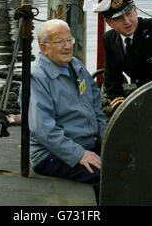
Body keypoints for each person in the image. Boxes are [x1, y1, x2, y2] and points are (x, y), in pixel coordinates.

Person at [29, 19, 106, 203]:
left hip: (86, 142)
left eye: (69, 40)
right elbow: (43, 129)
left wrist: (106, 139)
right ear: (44, 48)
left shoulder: (76, 66)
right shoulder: (37, 78)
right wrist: (78, 154)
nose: (67, 47)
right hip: (51, 154)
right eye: (59, 42)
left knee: (131, 164)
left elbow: (96, 106)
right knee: (110, 178)